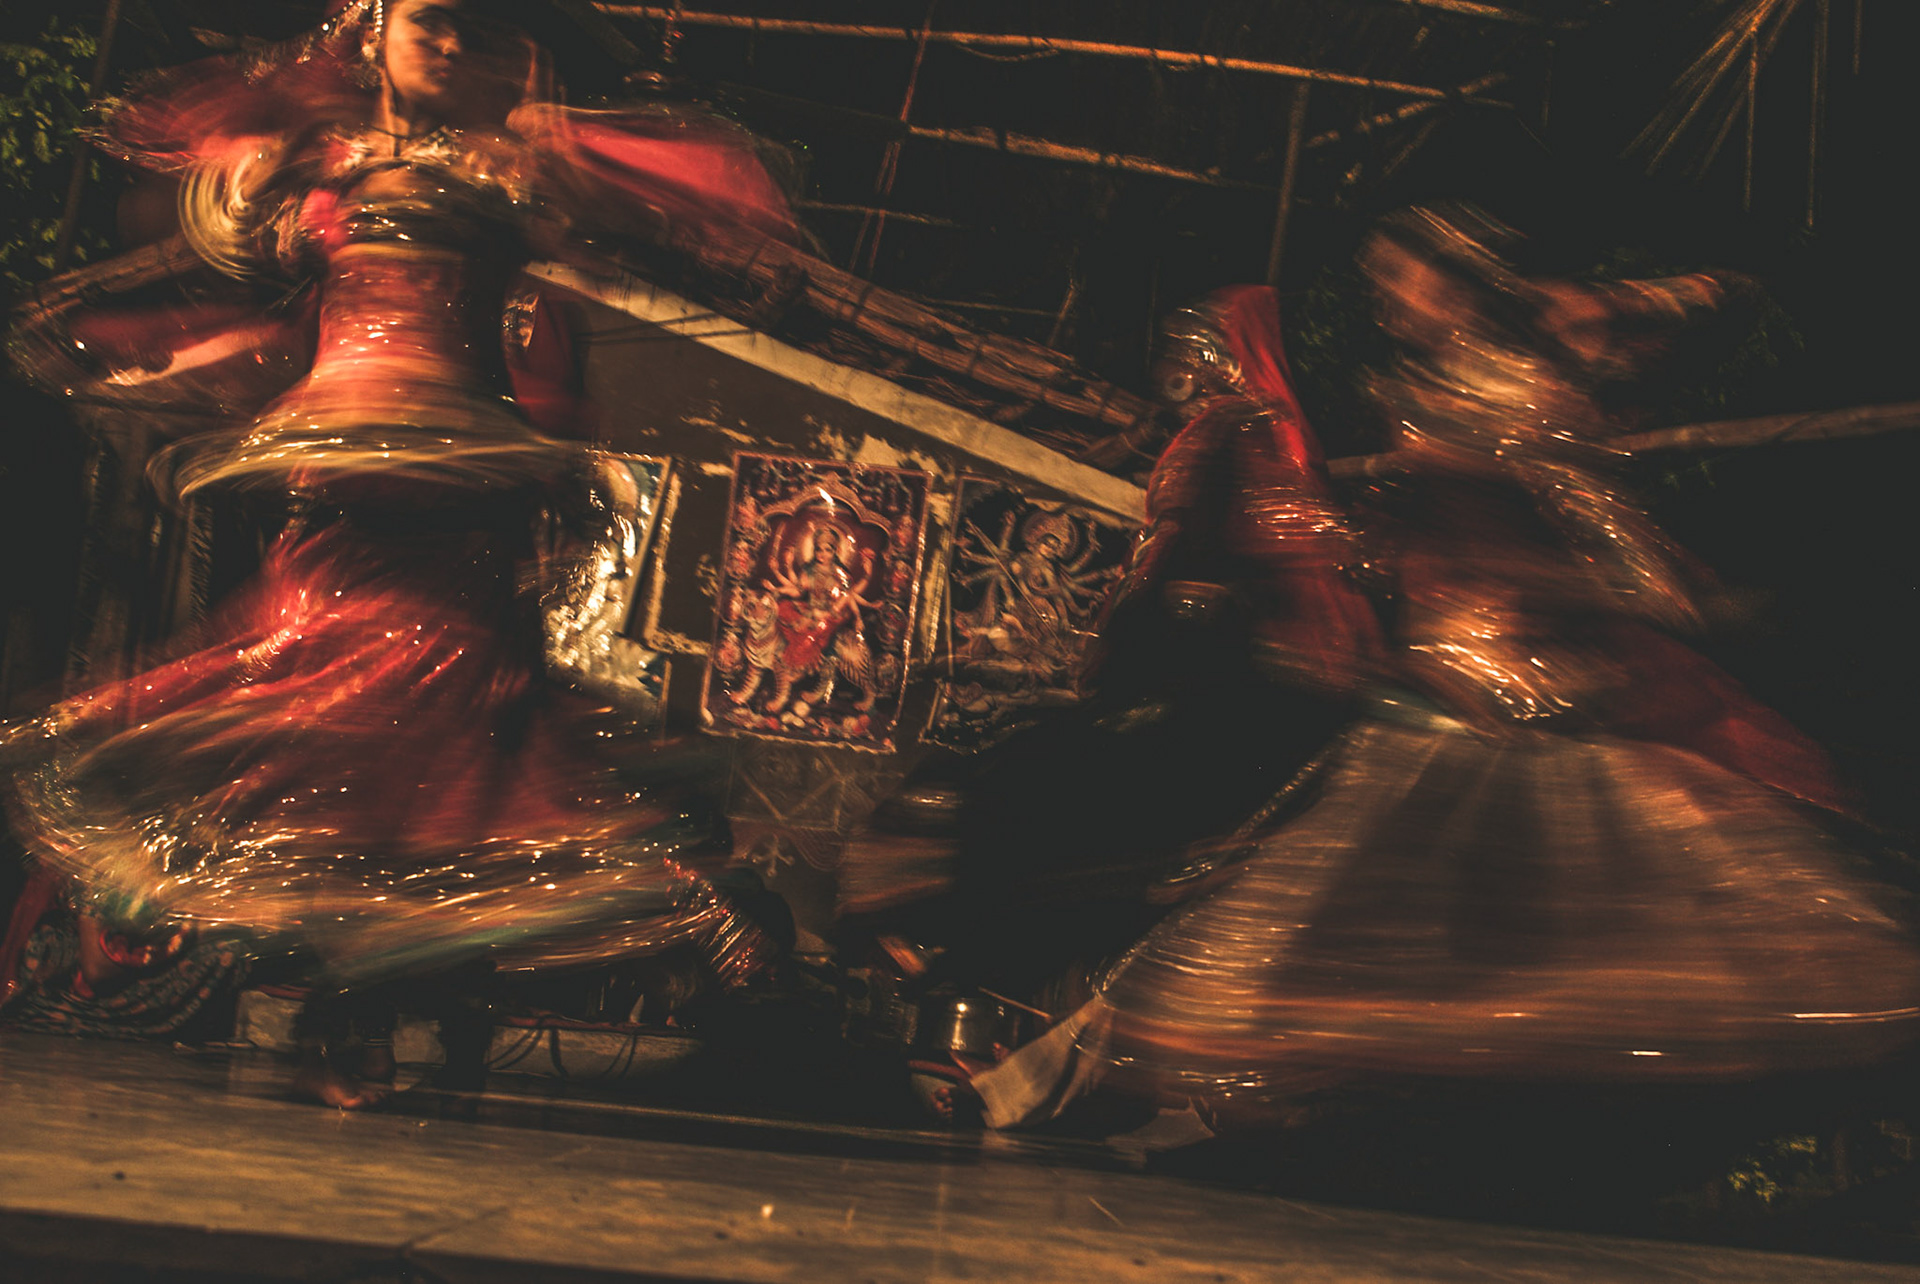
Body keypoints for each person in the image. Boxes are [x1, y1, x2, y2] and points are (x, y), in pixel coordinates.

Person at [960, 213, 1920, 1131]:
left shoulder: (1516, 388)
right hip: (1439, 687)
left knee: (1363, 923)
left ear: (1457, 283)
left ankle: (1096, 1079)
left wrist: (1650, 596)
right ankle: (1068, 1078)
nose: (1385, 299)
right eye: (1379, 279)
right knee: (1293, 911)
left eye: (1398, 276)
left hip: (1513, 698)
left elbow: (1596, 532)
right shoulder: (1423, 392)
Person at [1, 0, 793, 1105]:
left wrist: (647, 183)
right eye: (431, 21)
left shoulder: (511, 173)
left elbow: (594, 247)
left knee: (469, 742)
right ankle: (358, 1011)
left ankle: (400, 1007)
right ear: (373, 32)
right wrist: (195, 339)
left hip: (461, 494)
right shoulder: (319, 173)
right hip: (345, 493)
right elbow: (259, 273)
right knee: (330, 726)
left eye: (475, 28)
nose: (453, 44)